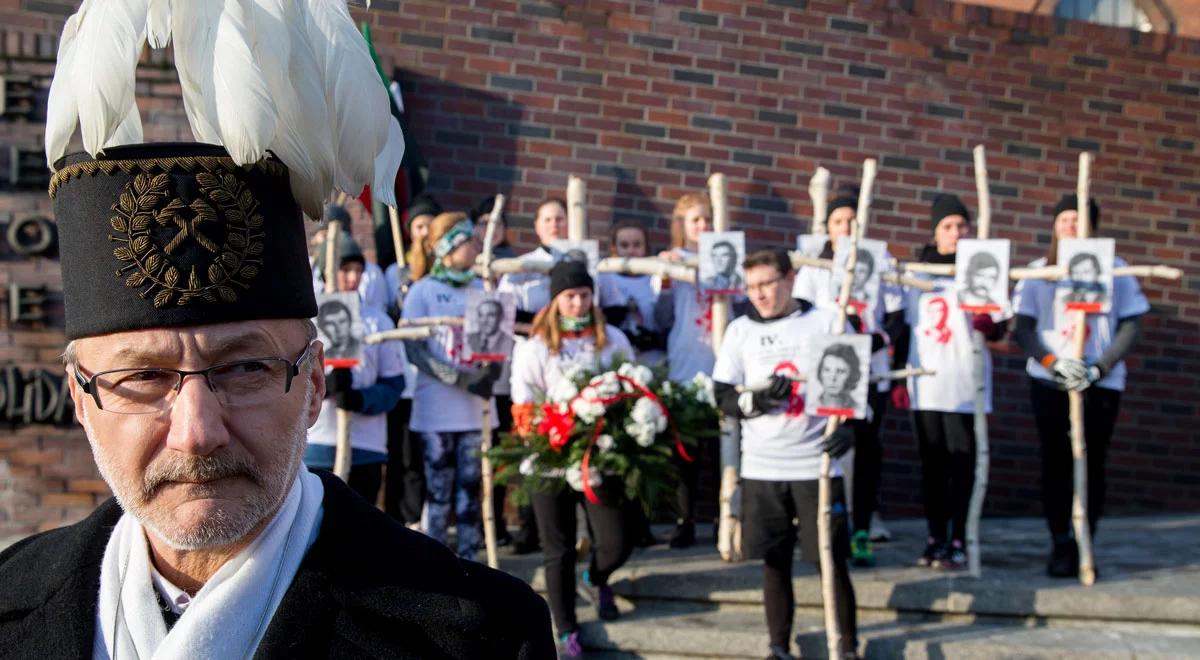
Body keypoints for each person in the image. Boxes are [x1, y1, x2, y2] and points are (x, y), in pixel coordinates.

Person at [0, 140, 551, 656]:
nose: (198, 432)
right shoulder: (10, 604)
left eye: (245, 368)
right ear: (80, 396)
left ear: (313, 385)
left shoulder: (484, 637)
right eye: (144, 376)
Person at [712, 248, 859, 660]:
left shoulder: (825, 320)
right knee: (774, 561)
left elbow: (854, 383)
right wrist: (756, 402)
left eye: (767, 284)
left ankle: (846, 646)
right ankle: (778, 646)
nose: (759, 294)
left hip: (816, 462)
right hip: (763, 464)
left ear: (789, 280)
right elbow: (722, 396)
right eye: (752, 286)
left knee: (830, 559)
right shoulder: (741, 330)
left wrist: (849, 429)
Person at [1012, 194, 1148, 578]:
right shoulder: (1041, 271)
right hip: (1051, 381)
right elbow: (1023, 329)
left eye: (1079, 219)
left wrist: (1099, 368)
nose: (1071, 226)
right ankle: (1060, 541)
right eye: (1065, 218)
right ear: (1055, 225)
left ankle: (1085, 539)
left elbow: (1131, 325)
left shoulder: (1116, 270)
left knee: (1092, 462)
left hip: (1099, 382)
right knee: (1056, 461)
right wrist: (1054, 364)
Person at [510, 260, 636, 659]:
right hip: (551, 456)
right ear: (555, 300)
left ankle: (597, 574)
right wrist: (557, 426)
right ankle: (565, 628)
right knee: (557, 546)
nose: (578, 303)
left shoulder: (612, 338)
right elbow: (524, 402)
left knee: (615, 540)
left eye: (584, 295)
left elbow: (632, 388)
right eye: (569, 296)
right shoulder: (536, 347)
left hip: (598, 456)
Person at [894, 193, 1009, 572]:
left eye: (961, 225)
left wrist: (989, 325)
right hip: (926, 382)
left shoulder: (981, 267)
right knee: (932, 465)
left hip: (964, 384)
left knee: (962, 464)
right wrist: (897, 374)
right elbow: (903, 327)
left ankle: (959, 536)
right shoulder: (918, 273)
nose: (955, 233)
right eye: (947, 226)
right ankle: (935, 535)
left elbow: (1000, 325)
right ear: (935, 232)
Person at [792, 191, 905, 567]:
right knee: (825, 444)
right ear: (828, 227)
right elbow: (800, 313)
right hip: (830, 369)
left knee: (867, 446)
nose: (846, 228)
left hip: (870, 369)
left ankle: (862, 526)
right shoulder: (815, 267)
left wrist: (876, 339)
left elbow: (896, 316)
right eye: (839, 221)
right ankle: (824, 520)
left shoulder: (879, 260)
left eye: (852, 222)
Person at [402, 213, 501, 560]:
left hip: (476, 411)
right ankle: (435, 565)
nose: (475, 247)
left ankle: (473, 563)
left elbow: (497, 341)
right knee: (440, 493)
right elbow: (413, 348)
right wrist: (457, 377)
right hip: (437, 411)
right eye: (467, 241)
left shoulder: (482, 288)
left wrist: (488, 372)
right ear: (448, 247)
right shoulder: (424, 290)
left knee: (472, 492)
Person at [305, 233, 407, 504]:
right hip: (317, 443)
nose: (353, 278)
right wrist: (323, 387)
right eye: (345, 269)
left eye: (358, 270)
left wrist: (361, 398)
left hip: (366, 445)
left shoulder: (378, 321)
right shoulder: (306, 321)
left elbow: (394, 384)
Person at [653, 191, 729, 548]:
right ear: (682, 225)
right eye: (695, 220)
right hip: (686, 363)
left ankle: (722, 517)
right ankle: (686, 519)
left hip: (720, 364)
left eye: (707, 219)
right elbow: (661, 314)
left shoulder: (727, 258)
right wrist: (668, 275)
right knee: (687, 452)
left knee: (720, 449)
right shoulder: (673, 260)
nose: (702, 226)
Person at [382, 193, 443, 530]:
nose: (424, 232)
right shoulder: (395, 273)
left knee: (424, 454)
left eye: (430, 226)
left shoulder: (444, 273)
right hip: (404, 375)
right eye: (420, 225)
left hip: (433, 375)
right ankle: (395, 518)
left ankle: (421, 520)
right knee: (401, 454)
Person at [815, 343, 861, 413]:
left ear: (852, 374)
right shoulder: (812, 406)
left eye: (840, 371)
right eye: (827, 370)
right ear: (820, 373)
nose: (833, 378)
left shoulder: (857, 409)